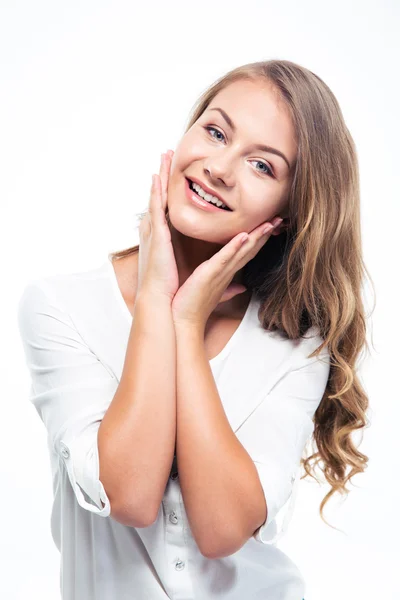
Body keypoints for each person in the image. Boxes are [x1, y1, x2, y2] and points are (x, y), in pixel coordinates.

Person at [17, 59, 372, 600]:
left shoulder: (297, 342)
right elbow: (129, 495)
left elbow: (222, 530)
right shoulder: (62, 306)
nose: (220, 168)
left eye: (262, 166)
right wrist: (158, 301)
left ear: (293, 207)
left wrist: (185, 322)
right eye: (215, 131)